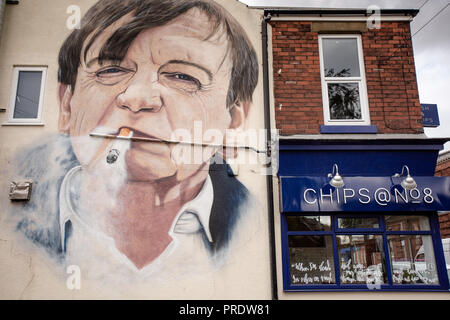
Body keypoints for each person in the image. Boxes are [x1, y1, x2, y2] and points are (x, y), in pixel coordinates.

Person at [11, 0, 259, 279]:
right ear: (67, 106)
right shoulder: (13, 219)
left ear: (233, 122)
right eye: (111, 70)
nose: (138, 98)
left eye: (182, 76)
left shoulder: (255, 223)